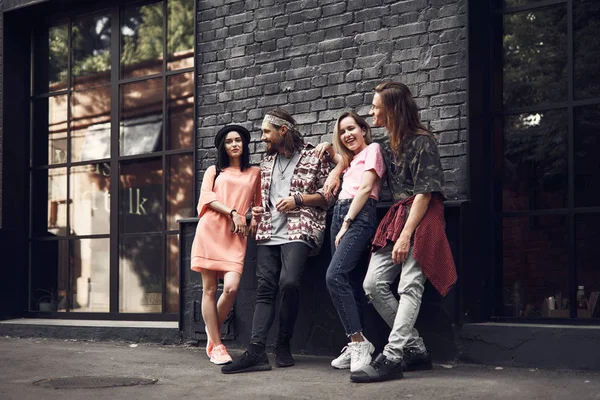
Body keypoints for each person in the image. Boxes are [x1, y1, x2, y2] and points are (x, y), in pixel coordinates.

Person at [350, 82, 457, 383]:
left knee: (409, 285)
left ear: (392, 109)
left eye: (375, 106)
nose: (371, 111)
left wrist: (406, 235)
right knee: (373, 284)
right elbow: (355, 157)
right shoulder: (386, 144)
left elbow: (424, 194)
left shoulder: (423, 141)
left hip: (423, 216)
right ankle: (417, 350)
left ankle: (393, 357)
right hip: (398, 215)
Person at [221, 109, 333, 374]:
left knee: (290, 282)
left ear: (283, 131)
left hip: (298, 229)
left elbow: (327, 196)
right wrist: (254, 212)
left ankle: (283, 343)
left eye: (266, 132)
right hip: (268, 232)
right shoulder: (267, 162)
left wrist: (298, 200)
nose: (262, 138)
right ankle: (257, 350)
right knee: (264, 290)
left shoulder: (313, 156)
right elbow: (261, 201)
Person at [315, 111, 385, 372]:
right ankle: (358, 341)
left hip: (360, 214)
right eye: (342, 131)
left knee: (334, 276)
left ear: (364, 129)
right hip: (340, 214)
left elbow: (366, 189)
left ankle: (358, 341)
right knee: (349, 281)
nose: (347, 135)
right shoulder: (351, 160)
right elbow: (337, 157)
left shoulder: (373, 150)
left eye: (352, 128)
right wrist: (329, 151)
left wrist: (346, 223)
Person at [190, 125, 261, 365]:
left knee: (231, 288)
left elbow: (258, 204)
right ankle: (218, 345)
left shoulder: (254, 173)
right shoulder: (214, 170)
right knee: (209, 290)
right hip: (210, 230)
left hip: (235, 235)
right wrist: (233, 212)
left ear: (244, 145)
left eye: (238, 140)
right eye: (229, 141)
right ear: (223, 146)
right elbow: (206, 198)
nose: (234, 145)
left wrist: (255, 220)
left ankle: (212, 336)